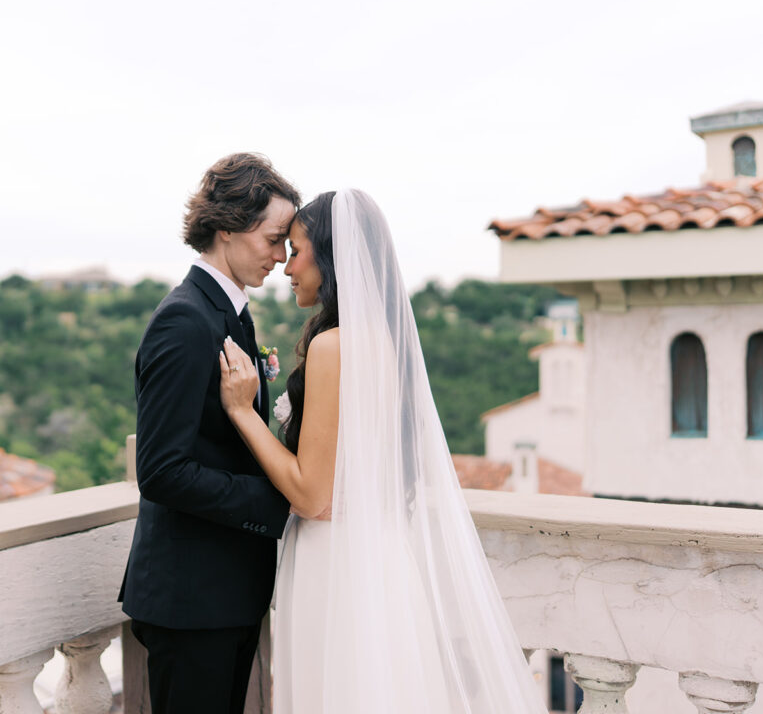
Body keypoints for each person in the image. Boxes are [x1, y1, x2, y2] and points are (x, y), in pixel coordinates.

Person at [219, 189, 548, 712]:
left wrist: (242, 411)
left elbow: (310, 494)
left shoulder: (334, 346)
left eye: (297, 251)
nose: (287, 266)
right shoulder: (384, 342)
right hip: (382, 558)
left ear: (331, 260)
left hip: (336, 566)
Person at [119, 153, 298, 714]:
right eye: (273, 239)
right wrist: (277, 500)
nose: (281, 257)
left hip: (226, 592)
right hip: (191, 601)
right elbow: (161, 471)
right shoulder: (185, 319)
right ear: (227, 227)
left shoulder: (229, 313)